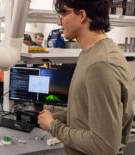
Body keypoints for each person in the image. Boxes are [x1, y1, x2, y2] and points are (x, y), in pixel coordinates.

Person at [37, 0, 133, 155]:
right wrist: (62, 117)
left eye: (63, 13)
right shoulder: (89, 54)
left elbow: (105, 145)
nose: (58, 22)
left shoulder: (101, 64)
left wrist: (53, 126)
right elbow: (89, 112)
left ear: (82, 15)